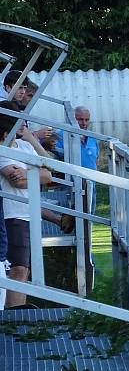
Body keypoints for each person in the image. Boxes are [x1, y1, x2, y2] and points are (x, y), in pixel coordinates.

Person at [0, 102, 74, 307]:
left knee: (24, 269)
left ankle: (17, 312)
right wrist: (35, 174)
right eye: (19, 122)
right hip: (12, 215)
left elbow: (49, 171)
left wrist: (33, 141)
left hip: (28, 214)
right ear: (8, 129)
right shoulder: (2, 151)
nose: (24, 126)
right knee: (18, 269)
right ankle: (13, 317)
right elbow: (19, 180)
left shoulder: (23, 146)